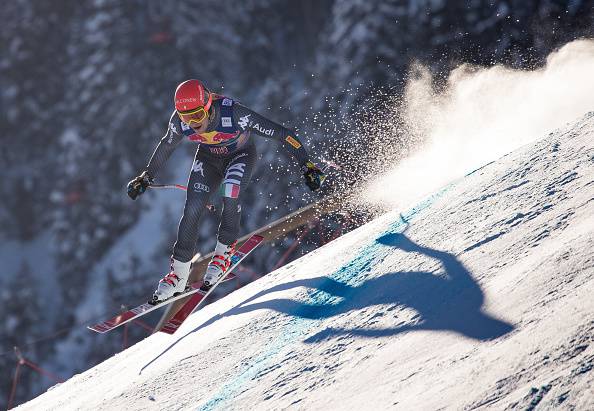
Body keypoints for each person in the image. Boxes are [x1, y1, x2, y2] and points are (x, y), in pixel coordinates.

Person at [126, 79, 325, 304]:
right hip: (208, 159)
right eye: (185, 118)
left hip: (239, 156)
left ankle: (222, 256)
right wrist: (146, 177)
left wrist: (307, 165)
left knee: (230, 192)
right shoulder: (179, 122)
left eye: (197, 116)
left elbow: (283, 134)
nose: (192, 124)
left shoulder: (235, 114)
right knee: (192, 209)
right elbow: (166, 145)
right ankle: (178, 275)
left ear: (209, 106)